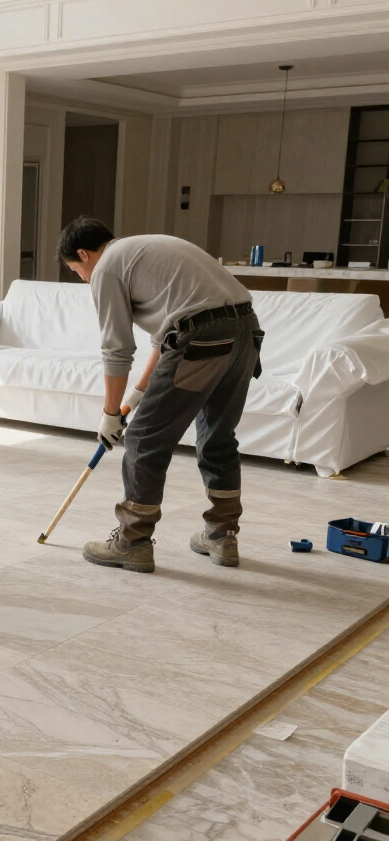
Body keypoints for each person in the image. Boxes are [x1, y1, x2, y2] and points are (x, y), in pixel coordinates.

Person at [58, 218, 263, 574]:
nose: (83, 279)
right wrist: (137, 394)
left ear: (83, 254)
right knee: (217, 436)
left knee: (143, 438)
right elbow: (162, 337)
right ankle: (222, 534)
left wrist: (109, 414)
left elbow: (117, 349)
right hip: (246, 331)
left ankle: (132, 542)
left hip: (203, 336)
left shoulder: (106, 268)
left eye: (77, 270)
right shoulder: (144, 247)